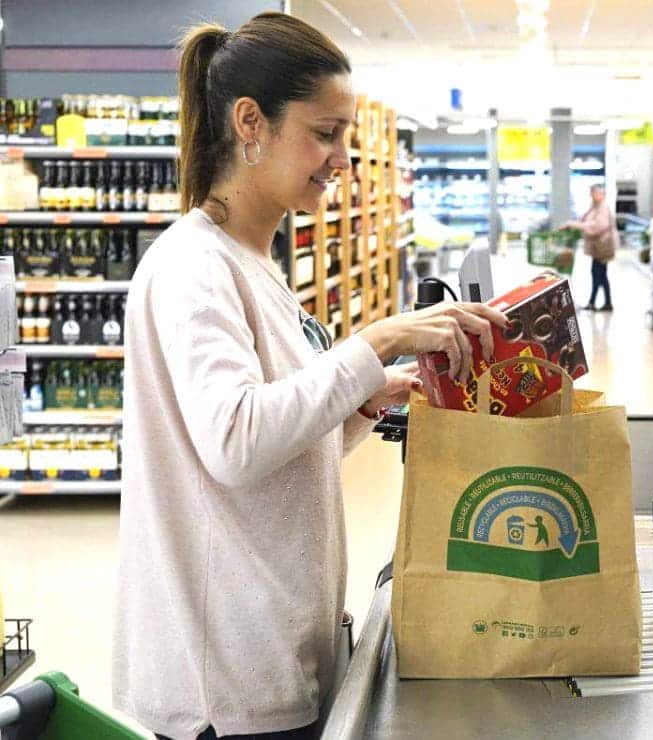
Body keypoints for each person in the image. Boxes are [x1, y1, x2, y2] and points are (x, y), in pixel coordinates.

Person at [112, 14, 508, 740]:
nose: (343, 159)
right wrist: (372, 342)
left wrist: (364, 401)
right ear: (249, 122)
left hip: (271, 655)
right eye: (326, 134)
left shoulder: (255, 263)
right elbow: (235, 443)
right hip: (223, 687)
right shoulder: (193, 266)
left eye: (347, 137)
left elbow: (279, 449)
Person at [563, 184, 617, 311]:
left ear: (600, 194)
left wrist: (575, 225)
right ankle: (601, 302)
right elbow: (584, 220)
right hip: (598, 248)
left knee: (598, 274)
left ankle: (596, 302)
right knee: (600, 275)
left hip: (602, 248)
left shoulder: (603, 208)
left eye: (594, 193)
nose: (592, 196)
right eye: (591, 193)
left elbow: (597, 226)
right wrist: (571, 224)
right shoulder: (595, 207)